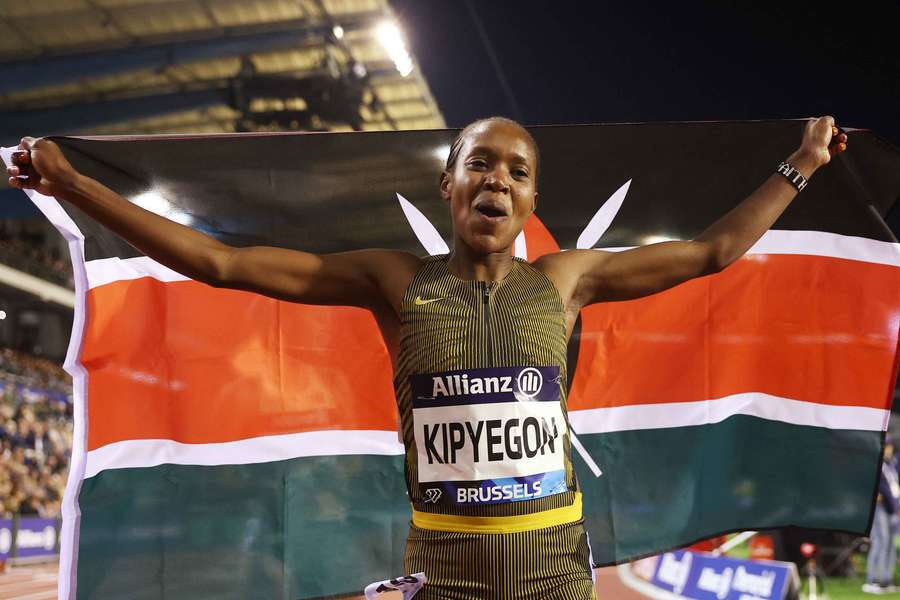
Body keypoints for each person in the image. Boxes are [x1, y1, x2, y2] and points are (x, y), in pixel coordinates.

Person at [7, 116, 847, 599]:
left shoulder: (566, 281)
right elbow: (224, 264)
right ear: (448, 183)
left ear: (531, 202)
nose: (498, 179)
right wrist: (77, 185)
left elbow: (709, 253)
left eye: (517, 172)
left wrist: (801, 163)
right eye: (480, 162)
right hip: (448, 587)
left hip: (557, 583)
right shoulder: (392, 281)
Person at [864, 438, 900, 594]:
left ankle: (886, 579)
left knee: (890, 544)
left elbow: (893, 486)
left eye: (890, 447)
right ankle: (872, 580)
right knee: (880, 541)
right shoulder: (874, 463)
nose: (888, 450)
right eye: (885, 447)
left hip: (891, 509)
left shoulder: (890, 465)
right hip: (879, 507)